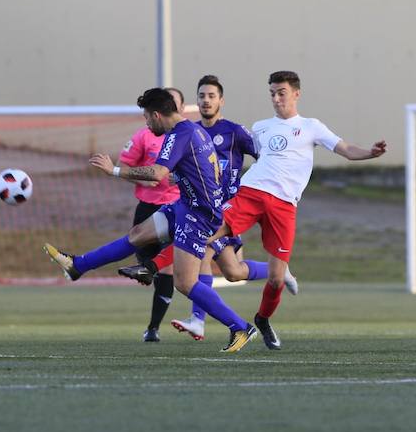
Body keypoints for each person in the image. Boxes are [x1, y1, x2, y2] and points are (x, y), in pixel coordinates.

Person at [43, 87, 257, 353]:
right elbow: (185, 172)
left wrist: (115, 170)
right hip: (187, 206)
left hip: (199, 216)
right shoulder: (191, 130)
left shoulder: (180, 134)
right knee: (137, 235)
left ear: (157, 114)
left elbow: (157, 174)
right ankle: (78, 265)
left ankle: (240, 326)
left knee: (185, 282)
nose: (146, 123)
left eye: (146, 117)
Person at [206, 70, 387, 350]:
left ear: (296, 94)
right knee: (207, 231)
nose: (276, 99)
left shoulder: (312, 126)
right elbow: (240, 154)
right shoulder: (261, 127)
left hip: (284, 205)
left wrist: (370, 153)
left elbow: (346, 149)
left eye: (281, 93)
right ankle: (165, 257)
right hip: (252, 192)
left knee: (276, 279)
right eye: (272, 94)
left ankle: (263, 319)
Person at [119, 75, 298, 341]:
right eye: (201, 95)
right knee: (223, 267)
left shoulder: (234, 131)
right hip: (201, 207)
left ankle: (201, 315)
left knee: (222, 266)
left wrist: (255, 188)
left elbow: (266, 157)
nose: (205, 100)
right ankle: (203, 317)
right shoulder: (191, 131)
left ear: (221, 101)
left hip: (225, 209)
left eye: (211, 95)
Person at [115, 87, 184, 342]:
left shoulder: (186, 136)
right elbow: (126, 166)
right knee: (144, 257)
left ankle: (153, 328)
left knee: (167, 269)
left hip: (177, 208)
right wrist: (144, 181)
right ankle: (146, 268)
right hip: (148, 207)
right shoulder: (145, 136)